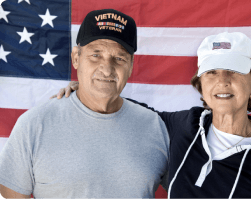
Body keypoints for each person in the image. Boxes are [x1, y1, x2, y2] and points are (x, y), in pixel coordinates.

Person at [57, 32, 251, 198]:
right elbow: (127, 109)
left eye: (234, 72)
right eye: (212, 72)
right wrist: (88, 90)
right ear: (200, 85)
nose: (222, 82)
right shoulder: (181, 127)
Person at [0, 9, 169, 198]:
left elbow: (191, 186)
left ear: (130, 65)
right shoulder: (34, 124)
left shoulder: (155, 125)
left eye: (119, 58)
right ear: (76, 58)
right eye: (95, 55)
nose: (107, 69)